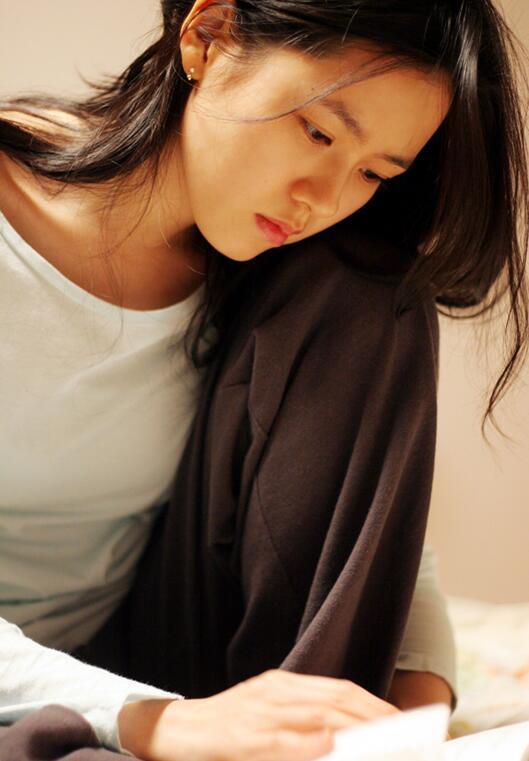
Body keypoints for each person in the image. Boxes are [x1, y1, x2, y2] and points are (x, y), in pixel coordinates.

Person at [0, 0, 527, 760]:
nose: (325, 199)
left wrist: (414, 717)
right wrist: (153, 719)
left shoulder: (278, 271)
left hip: (147, 652)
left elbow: (366, 521)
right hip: (76, 701)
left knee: (372, 291)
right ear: (208, 35)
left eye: (374, 173)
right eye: (318, 133)